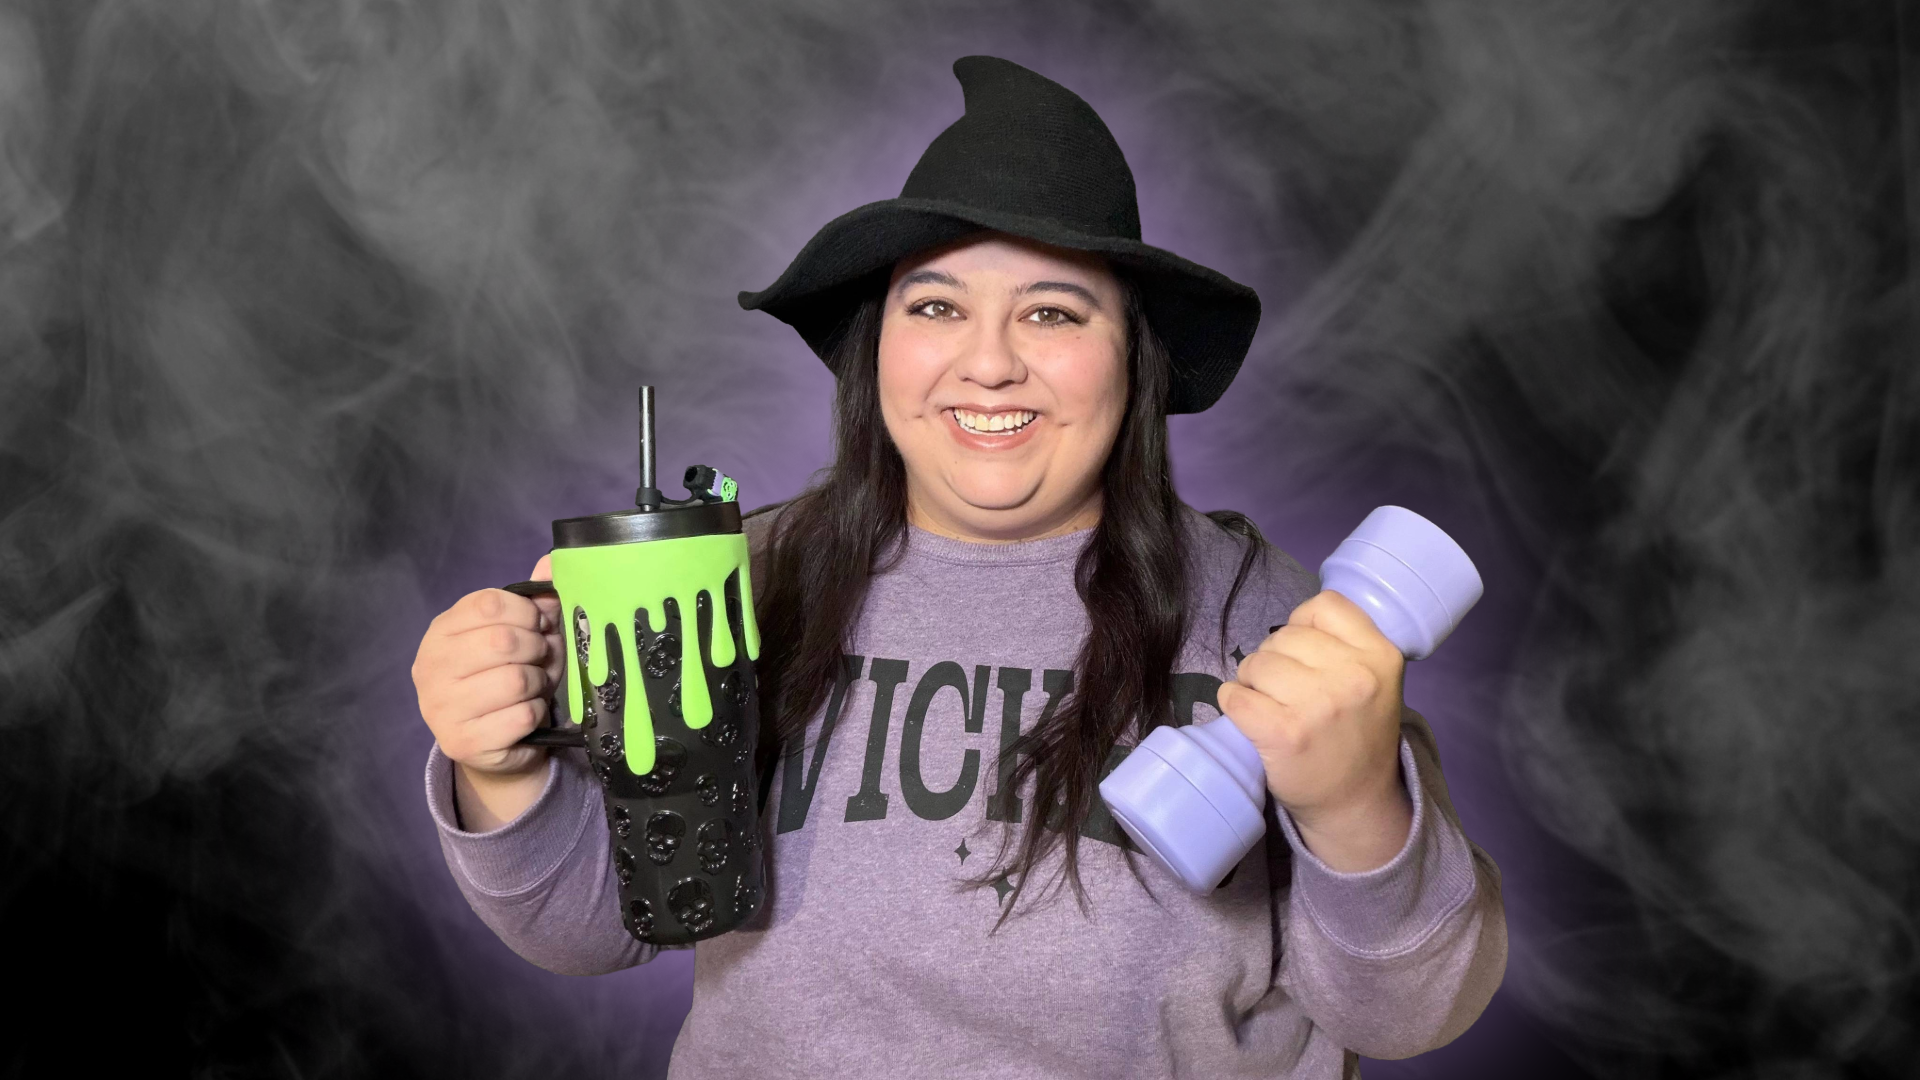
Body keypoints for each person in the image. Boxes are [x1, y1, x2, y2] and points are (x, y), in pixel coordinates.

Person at [411, 55, 1505, 1078]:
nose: (988, 362)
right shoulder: (725, 589)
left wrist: (1357, 804)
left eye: (1052, 311)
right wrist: (500, 771)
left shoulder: (1272, 615)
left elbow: (1406, 1015)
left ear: (1132, 360)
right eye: (936, 306)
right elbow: (595, 925)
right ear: (876, 346)